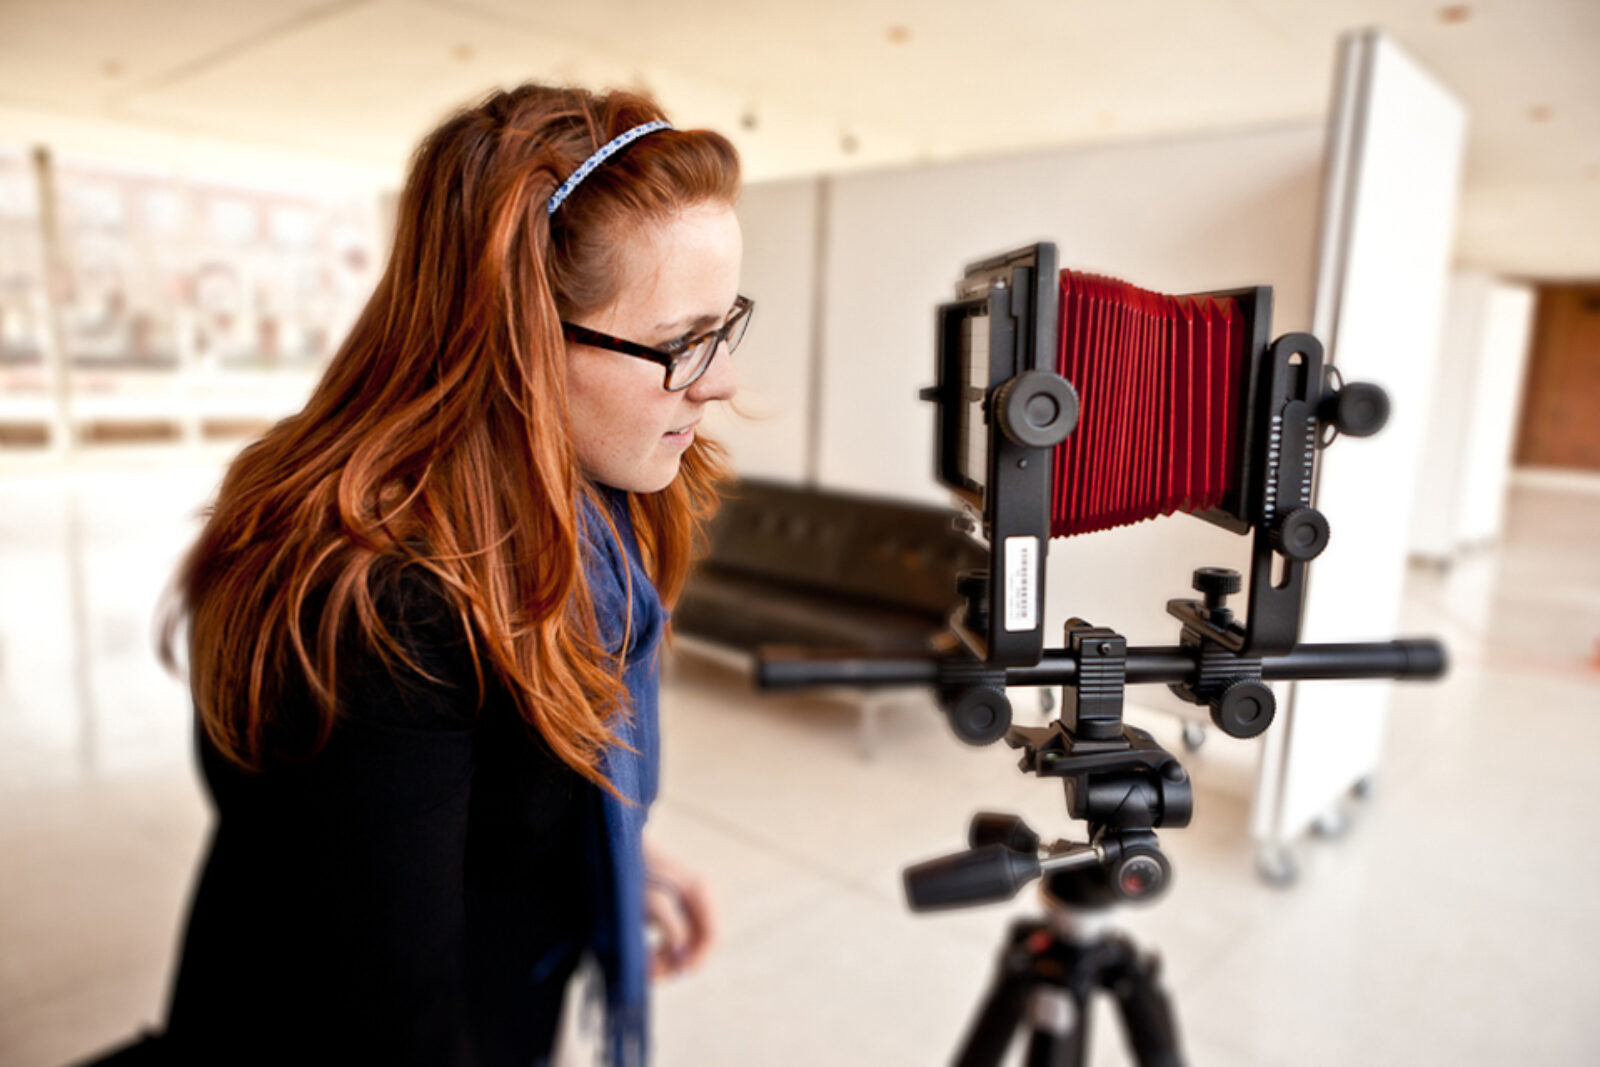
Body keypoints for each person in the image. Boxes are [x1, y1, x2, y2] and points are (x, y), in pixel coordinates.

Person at [150, 84, 749, 1066]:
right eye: (682, 342)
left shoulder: (591, 499)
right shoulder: (379, 600)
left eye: (724, 326)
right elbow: (387, 1022)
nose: (720, 380)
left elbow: (489, 807)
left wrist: (611, 858)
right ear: (511, 337)